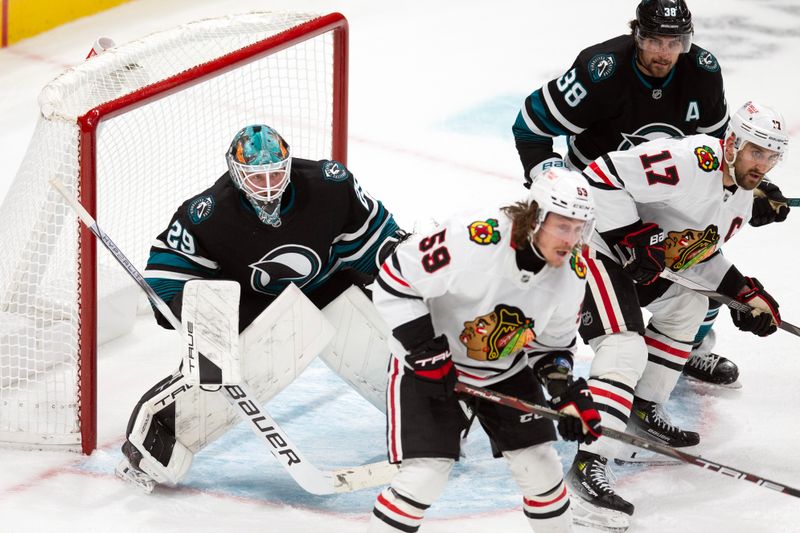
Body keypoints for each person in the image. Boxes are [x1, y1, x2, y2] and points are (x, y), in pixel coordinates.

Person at [511, 0, 790, 386]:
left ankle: (688, 351)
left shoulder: (703, 73)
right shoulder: (601, 71)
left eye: (674, 42)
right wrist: (556, 187)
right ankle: (538, 346)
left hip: (665, 195)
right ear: (636, 34)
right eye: (655, 40)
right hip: (601, 192)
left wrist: (751, 189)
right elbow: (530, 127)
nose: (664, 52)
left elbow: (723, 150)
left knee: (701, 253)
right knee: (564, 274)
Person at [116, 124, 404, 490]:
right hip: (257, 311)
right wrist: (196, 315)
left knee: (391, 347)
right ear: (237, 173)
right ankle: (157, 445)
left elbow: (377, 239)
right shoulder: (207, 214)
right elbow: (165, 279)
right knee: (213, 365)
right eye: (256, 176)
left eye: (275, 172)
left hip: (328, 288)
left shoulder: (330, 184)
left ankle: (434, 416)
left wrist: (398, 268)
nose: (267, 183)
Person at [567, 101, 788, 523]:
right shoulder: (692, 161)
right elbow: (599, 178)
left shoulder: (739, 197)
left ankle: (641, 409)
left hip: (632, 260)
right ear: (733, 143)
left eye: (771, 155)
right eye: (755, 151)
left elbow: (694, 255)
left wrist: (743, 292)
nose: (762, 164)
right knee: (622, 345)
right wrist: (631, 237)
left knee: (688, 306)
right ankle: (588, 462)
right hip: (590, 247)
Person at [367, 168, 605, 533]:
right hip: (427, 365)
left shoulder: (572, 273)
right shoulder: (473, 238)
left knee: (542, 468)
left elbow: (552, 346)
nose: (571, 239)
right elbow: (395, 278)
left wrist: (564, 392)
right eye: (562, 226)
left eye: (579, 228)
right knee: (425, 476)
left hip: (504, 370)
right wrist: (424, 349)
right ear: (536, 216)